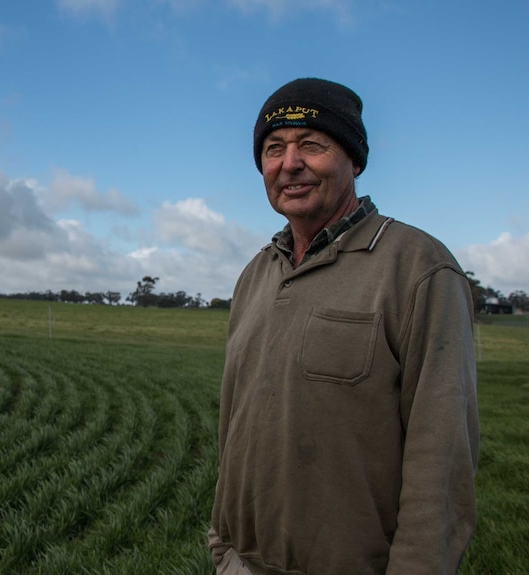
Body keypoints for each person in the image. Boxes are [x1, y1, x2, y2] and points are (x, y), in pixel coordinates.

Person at [208, 78, 480, 575]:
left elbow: (441, 458)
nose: (289, 163)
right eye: (273, 149)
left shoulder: (417, 267)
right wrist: (223, 546)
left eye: (311, 144)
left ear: (354, 159)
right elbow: (233, 422)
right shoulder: (255, 275)